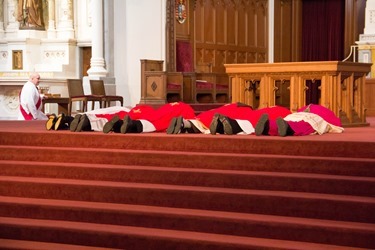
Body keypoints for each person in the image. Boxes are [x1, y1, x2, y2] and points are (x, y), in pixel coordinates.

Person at [167, 103, 292, 135]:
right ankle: (227, 125)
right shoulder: (280, 111)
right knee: (249, 121)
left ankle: (185, 124)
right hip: (247, 114)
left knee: (205, 118)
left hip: (231, 108)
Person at [255, 104, 344, 137]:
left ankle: (267, 126)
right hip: (312, 118)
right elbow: (335, 123)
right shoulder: (323, 111)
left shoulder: (303, 109)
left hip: (296, 115)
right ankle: (287, 128)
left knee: (288, 120)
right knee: (304, 125)